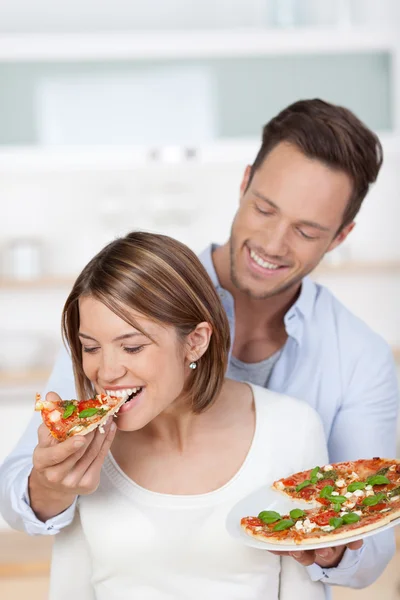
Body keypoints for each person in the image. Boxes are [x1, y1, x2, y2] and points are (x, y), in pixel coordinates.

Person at [0, 99, 398, 594]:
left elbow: (373, 540)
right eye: (264, 208)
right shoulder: (130, 306)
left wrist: (330, 546)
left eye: (306, 230)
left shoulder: (358, 363)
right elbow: (26, 493)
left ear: (341, 236)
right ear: (244, 182)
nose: (273, 243)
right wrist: (49, 486)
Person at [50, 231, 327, 599]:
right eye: (91, 348)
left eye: (131, 347)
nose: (106, 371)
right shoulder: (82, 445)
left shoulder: (292, 428)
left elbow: (303, 590)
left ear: (195, 341)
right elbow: (68, 588)